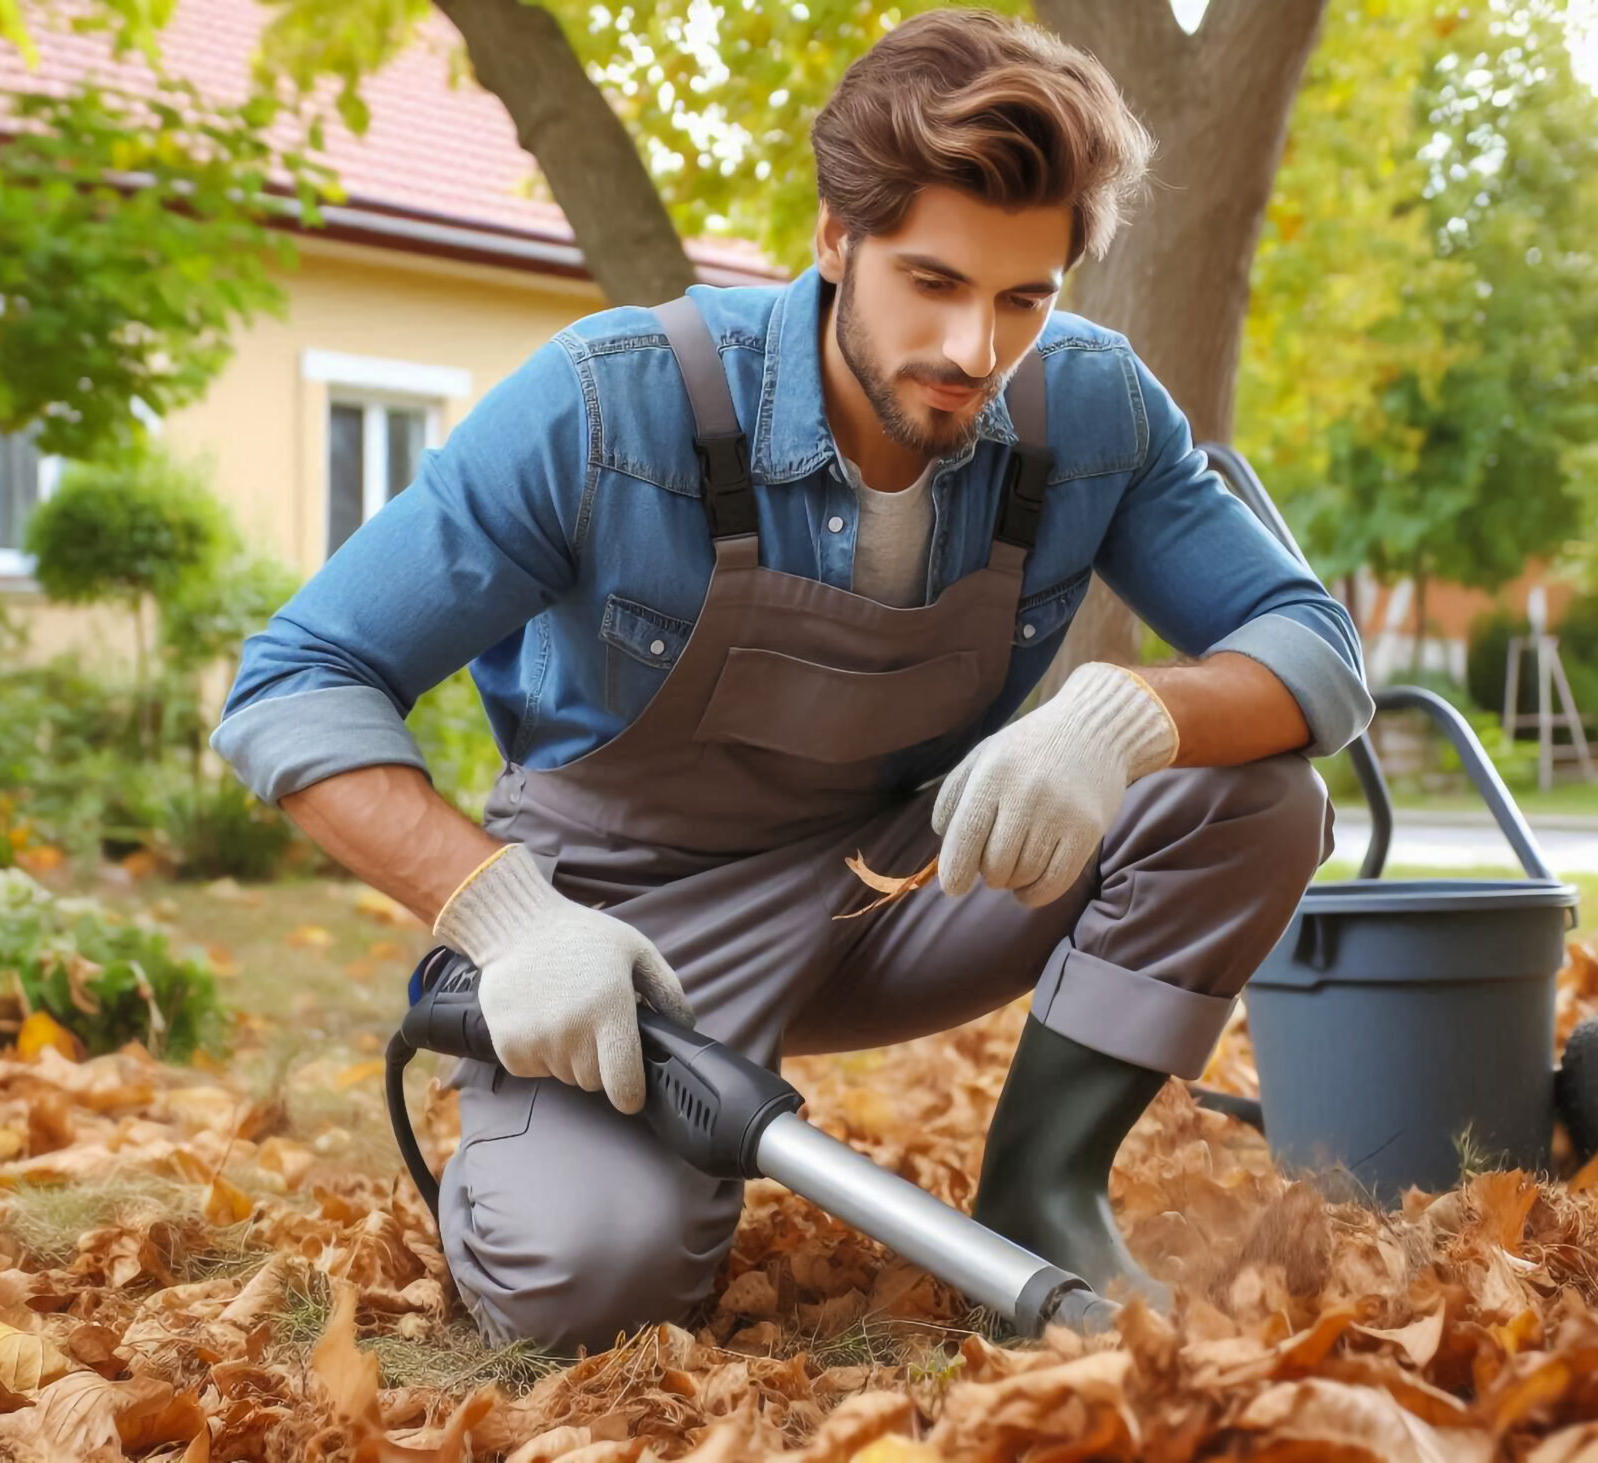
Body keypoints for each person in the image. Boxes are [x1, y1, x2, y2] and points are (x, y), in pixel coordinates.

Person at [212, 7, 1372, 1354]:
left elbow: (1313, 649)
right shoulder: (609, 405)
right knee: (586, 1293)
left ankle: (1041, 1192)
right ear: (836, 241)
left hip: (893, 889)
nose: (974, 352)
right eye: (932, 283)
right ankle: (549, 1166)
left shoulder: (1089, 410)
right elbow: (295, 683)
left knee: (1254, 795)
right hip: (616, 934)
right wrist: (506, 919)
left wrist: (1128, 718)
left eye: (1022, 299)